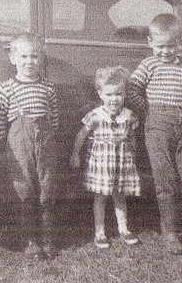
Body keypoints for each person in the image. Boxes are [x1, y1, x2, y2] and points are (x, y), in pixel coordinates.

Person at [127, 13, 182, 256]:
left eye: (171, 46)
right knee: (165, 182)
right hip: (157, 128)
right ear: (150, 42)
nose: (166, 51)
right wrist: (149, 110)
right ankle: (171, 233)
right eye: (161, 46)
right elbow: (132, 90)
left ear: (178, 43)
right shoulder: (148, 65)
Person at [0, 33, 60, 259]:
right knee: (25, 189)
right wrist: (1, 144)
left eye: (35, 57)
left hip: (46, 142)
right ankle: (31, 240)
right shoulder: (6, 88)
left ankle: (48, 237)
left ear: (42, 59)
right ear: (13, 59)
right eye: (24, 56)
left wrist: (51, 138)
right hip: (19, 143)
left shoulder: (48, 87)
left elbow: (54, 117)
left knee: (47, 187)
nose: (30, 62)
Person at [70, 66, 141, 249]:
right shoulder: (95, 116)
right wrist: (75, 154)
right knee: (100, 197)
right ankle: (99, 232)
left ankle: (123, 228)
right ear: (100, 94)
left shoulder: (129, 116)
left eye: (118, 94)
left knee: (120, 196)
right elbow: (81, 135)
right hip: (101, 162)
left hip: (121, 161)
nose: (114, 99)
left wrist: (133, 152)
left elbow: (131, 137)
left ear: (124, 94)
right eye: (109, 95)